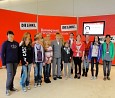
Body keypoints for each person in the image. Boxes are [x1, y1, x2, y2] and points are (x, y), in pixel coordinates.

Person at [1, 31, 19, 96]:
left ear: (13, 36)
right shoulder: (5, 43)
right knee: (10, 75)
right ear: (7, 36)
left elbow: (18, 53)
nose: (11, 36)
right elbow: (2, 54)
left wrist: (19, 61)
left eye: (12, 35)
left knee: (13, 74)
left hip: (15, 62)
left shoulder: (16, 43)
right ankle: (7, 88)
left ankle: (11, 87)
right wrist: (3, 63)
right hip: (8, 62)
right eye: (9, 35)